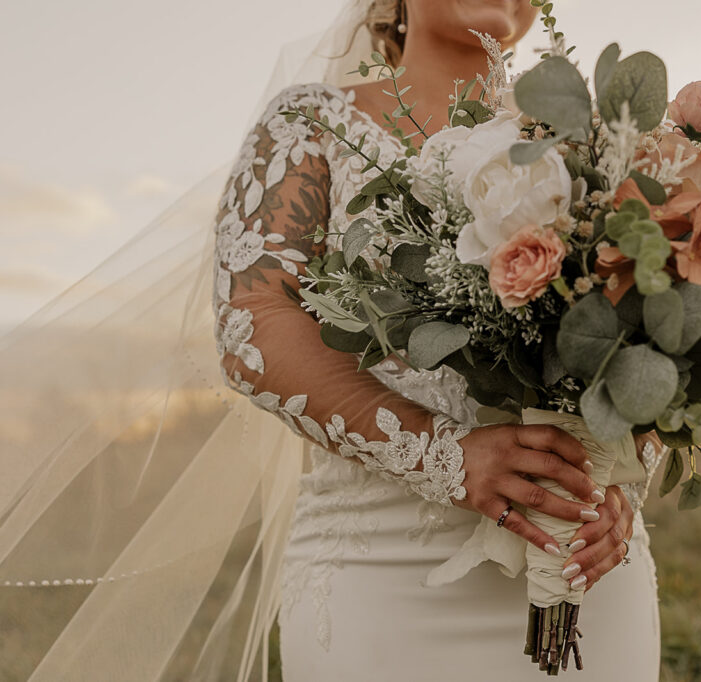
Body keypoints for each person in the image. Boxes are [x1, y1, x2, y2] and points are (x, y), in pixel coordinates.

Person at [0, 1, 661, 679]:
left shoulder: (597, 149)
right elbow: (252, 320)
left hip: (584, 569)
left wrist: (621, 485)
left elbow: (663, 338)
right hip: (379, 568)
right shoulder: (313, 125)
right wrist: (446, 455)